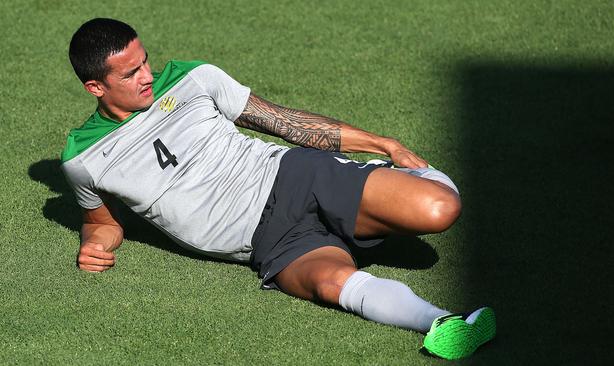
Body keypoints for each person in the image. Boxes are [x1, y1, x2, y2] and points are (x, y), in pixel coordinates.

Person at [62, 18, 495, 360]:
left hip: (293, 178)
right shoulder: (83, 158)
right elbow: (101, 223)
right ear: (95, 87)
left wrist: (385, 145)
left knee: (439, 210)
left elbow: (286, 124)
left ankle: (385, 174)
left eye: (145, 61)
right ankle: (450, 323)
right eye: (131, 72)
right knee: (332, 284)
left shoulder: (193, 79)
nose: (147, 75)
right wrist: (95, 243)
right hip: (268, 242)